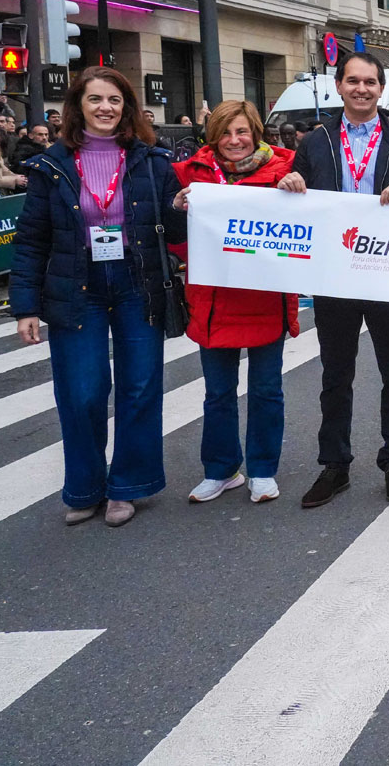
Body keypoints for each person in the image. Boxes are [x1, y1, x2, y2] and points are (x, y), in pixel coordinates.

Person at [11, 67, 185, 527]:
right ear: (78, 106)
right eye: (95, 99)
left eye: (114, 100)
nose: (105, 107)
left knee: (140, 387)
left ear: (126, 107)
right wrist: (25, 306)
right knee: (81, 391)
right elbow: (31, 240)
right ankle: (85, 487)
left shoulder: (152, 161)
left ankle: (128, 485)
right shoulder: (51, 165)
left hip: (137, 281)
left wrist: (180, 207)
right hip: (76, 285)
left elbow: (174, 232)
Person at [278, 52, 389, 508]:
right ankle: (335, 466)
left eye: (370, 82)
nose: (362, 89)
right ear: (339, 85)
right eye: (353, 81)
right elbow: (297, 191)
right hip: (335, 274)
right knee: (335, 374)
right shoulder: (316, 142)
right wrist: (291, 184)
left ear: (381, 89)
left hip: (388, 273)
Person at [169, 101, 298, 504]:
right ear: (213, 135)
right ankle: (221, 470)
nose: (234, 140)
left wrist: (298, 190)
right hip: (213, 300)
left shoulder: (287, 169)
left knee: (266, 390)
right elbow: (175, 243)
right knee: (218, 393)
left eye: (242, 131)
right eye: (225, 132)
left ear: (256, 132)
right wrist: (177, 210)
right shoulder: (188, 174)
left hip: (265, 297)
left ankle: (262, 469)